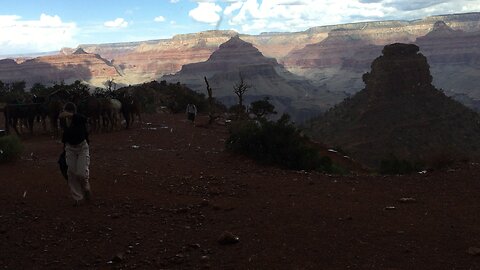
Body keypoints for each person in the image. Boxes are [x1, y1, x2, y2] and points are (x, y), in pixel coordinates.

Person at [59, 102, 91, 205]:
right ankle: (77, 198)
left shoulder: (78, 119)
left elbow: (84, 119)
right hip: (70, 148)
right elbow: (64, 135)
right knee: (71, 172)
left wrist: (70, 115)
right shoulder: (64, 122)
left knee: (81, 173)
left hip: (82, 147)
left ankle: (86, 185)